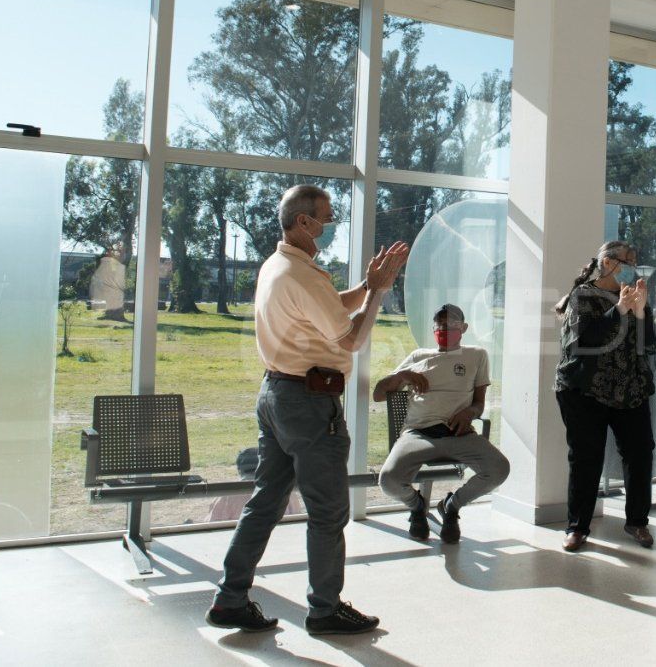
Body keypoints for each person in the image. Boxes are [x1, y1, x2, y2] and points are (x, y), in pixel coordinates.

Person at [207, 185, 408, 636]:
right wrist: (378, 292)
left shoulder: (278, 266)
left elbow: (329, 308)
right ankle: (324, 610)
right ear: (303, 222)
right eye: (327, 218)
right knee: (328, 510)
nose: (330, 226)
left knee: (265, 502)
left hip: (276, 395)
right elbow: (351, 339)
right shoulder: (302, 275)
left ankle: (229, 598)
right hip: (309, 404)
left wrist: (365, 287)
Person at [375, 304, 510, 544]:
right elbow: (378, 394)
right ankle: (417, 506)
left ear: (464, 328)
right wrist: (403, 375)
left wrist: (469, 412)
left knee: (499, 469)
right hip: (418, 434)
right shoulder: (418, 357)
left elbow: (479, 404)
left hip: (459, 433)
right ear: (433, 328)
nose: (445, 330)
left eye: (452, 325)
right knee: (388, 480)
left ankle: (451, 506)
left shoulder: (476, 355)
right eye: (440, 325)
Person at [554, 240, 656, 552]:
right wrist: (620, 310)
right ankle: (577, 527)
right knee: (587, 459)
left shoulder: (636, 295)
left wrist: (641, 313)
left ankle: (637, 521)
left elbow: (649, 345)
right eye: (628, 261)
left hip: (630, 389)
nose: (633, 268)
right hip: (585, 391)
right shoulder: (583, 295)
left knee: (641, 454)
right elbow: (582, 342)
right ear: (609, 263)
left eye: (635, 261)